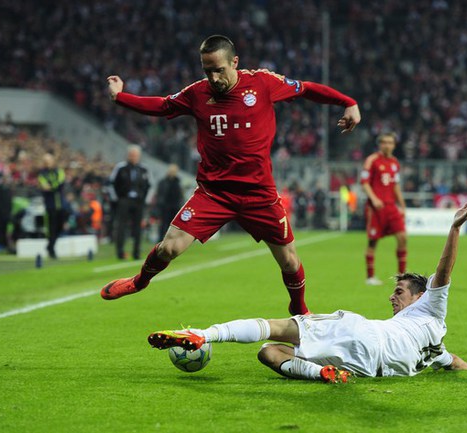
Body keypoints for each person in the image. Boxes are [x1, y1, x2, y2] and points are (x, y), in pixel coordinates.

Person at [101, 35, 361, 315]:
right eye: (207, 71)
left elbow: (306, 88)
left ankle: (299, 310)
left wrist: (347, 101)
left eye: (219, 70)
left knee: (288, 260)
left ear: (234, 62)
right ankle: (139, 282)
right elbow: (163, 105)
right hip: (214, 193)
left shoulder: (263, 83)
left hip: (259, 193)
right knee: (169, 248)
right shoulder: (197, 93)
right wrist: (120, 97)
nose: (213, 78)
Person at [148, 196, 467, 383]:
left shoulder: (430, 307)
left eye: (401, 292)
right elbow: (454, 362)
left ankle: (202, 334)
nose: (393, 296)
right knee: (269, 353)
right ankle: (323, 374)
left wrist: (454, 228)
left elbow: (444, 270)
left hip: (361, 333)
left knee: (276, 328)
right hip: (365, 367)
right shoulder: (434, 348)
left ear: (421, 296)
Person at [361, 132, 408, 285]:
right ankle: (370, 277)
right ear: (380, 144)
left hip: (391, 207)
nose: (387, 145)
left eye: (390, 142)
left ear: (394, 145)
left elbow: (395, 186)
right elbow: (364, 182)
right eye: (384, 142)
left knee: (402, 237)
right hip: (376, 208)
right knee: (373, 242)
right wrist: (374, 199)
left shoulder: (395, 162)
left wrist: (402, 205)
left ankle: (402, 277)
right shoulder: (372, 160)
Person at [108, 145, 151, 260]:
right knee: (121, 226)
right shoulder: (120, 167)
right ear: (128, 155)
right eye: (131, 155)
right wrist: (117, 199)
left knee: (138, 227)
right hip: (124, 200)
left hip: (138, 201)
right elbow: (111, 183)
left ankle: (136, 252)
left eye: (135, 155)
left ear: (139, 156)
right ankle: (120, 252)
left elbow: (149, 185)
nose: (133, 157)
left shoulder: (143, 169)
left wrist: (145, 199)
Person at [37, 153, 67, 259]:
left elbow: (60, 183)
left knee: (60, 227)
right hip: (50, 205)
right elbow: (44, 186)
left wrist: (51, 186)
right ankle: (51, 249)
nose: (47, 163)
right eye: (45, 161)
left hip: (61, 204)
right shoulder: (42, 174)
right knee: (52, 228)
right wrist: (52, 186)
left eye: (49, 160)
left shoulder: (59, 171)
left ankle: (50, 245)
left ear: (53, 161)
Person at [155, 164, 184, 241]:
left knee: (174, 226)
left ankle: (171, 241)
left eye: (174, 171)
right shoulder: (163, 182)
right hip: (165, 207)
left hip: (175, 207)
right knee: (163, 225)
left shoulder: (178, 182)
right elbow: (159, 194)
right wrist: (159, 205)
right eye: (171, 171)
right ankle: (161, 241)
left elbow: (181, 195)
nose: (172, 172)